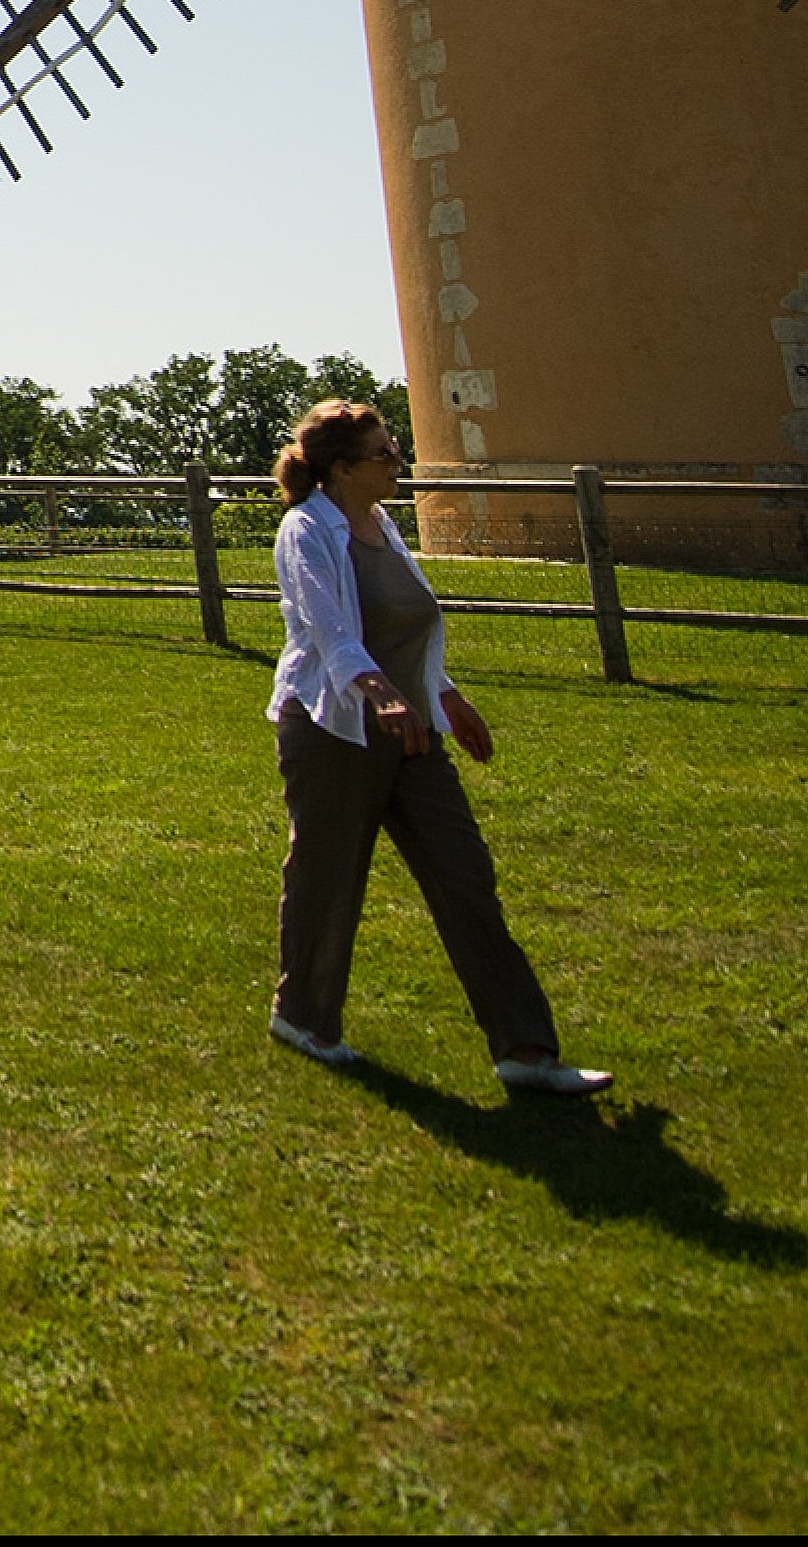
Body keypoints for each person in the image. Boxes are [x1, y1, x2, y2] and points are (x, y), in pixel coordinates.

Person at [264, 398, 607, 1093]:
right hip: (336, 727)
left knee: (464, 876)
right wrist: (377, 691)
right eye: (383, 453)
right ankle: (302, 1018)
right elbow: (331, 630)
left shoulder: (383, 526)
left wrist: (442, 693)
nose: (397, 461)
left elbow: (406, 624)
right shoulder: (306, 531)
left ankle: (525, 1049)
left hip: (411, 730)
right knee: (328, 880)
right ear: (340, 468)